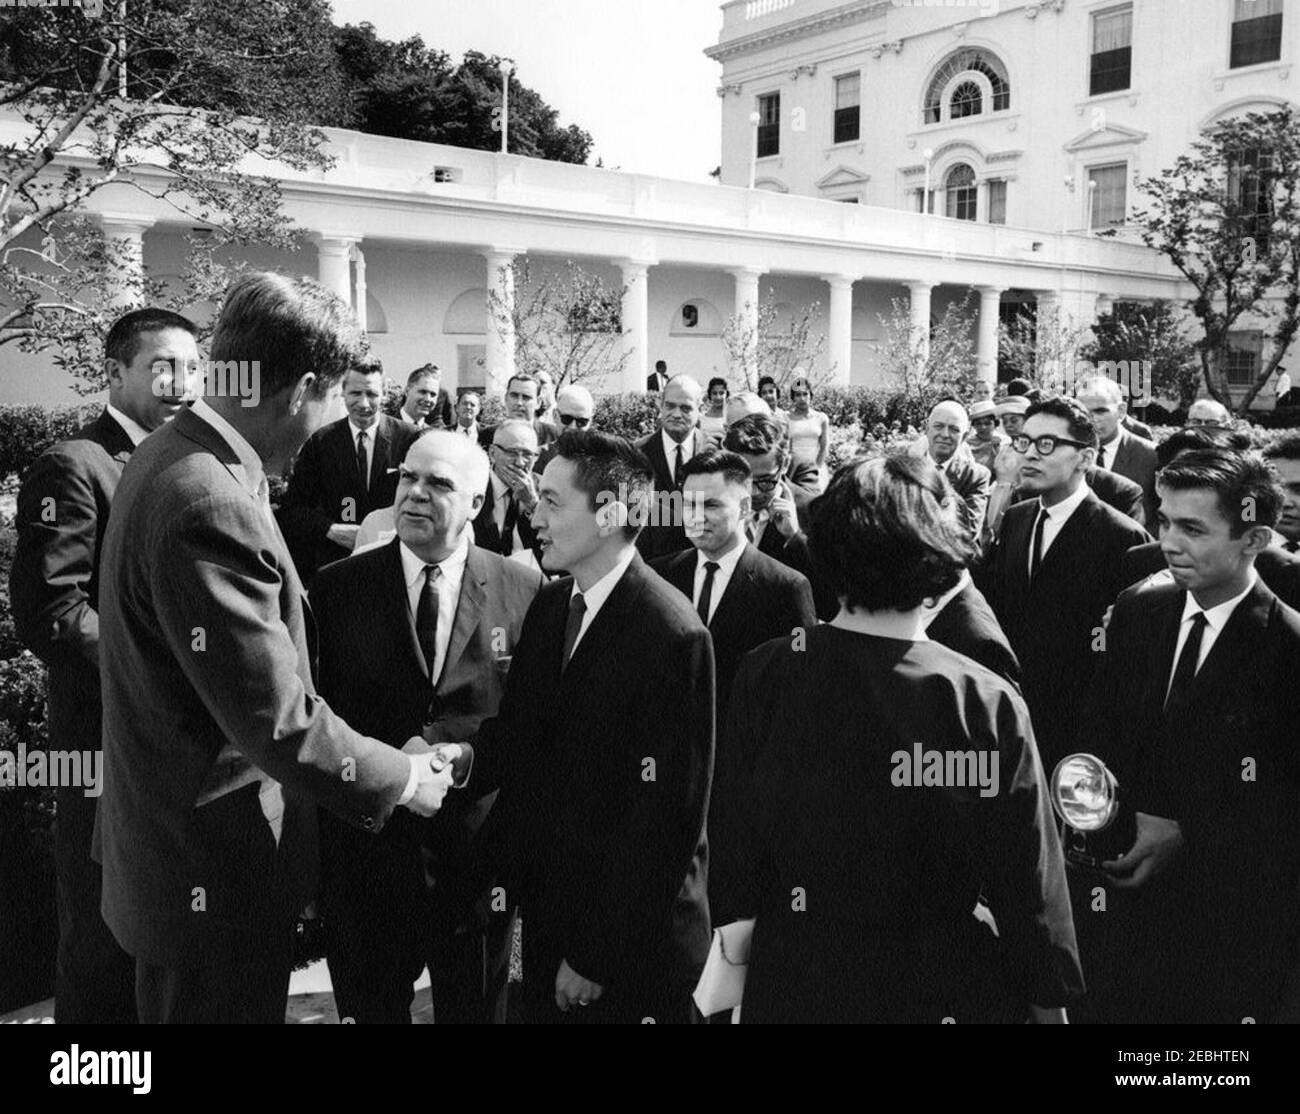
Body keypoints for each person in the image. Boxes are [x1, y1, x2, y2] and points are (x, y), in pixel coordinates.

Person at [95, 272, 456, 1024]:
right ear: (303, 389)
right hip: (212, 883)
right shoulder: (209, 500)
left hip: (183, 861)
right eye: (330, 400)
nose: (327, 423)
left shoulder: (176, 453)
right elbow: (278, 719)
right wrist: (401, 777)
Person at [708, 453, 1084, 1022]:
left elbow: (734, 837)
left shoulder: (767, 672)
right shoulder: (979, 701)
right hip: (932, 984)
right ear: (938, 554)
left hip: (795, 978)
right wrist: (1048, 1000)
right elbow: (1027, 879)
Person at [466, 431, 715, 1023]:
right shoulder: (553, 606)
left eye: (553, 502)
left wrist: (595, 956)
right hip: (546, 916)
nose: (535, 513)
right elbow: (521, 736)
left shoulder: (673, 635)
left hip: (625, 949)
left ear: (610, 514)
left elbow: (666, 820)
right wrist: (458, 762)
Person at [311, 431, 542, 1024]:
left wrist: (460, 758)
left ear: (474, 501)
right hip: (367, 859)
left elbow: (531, 724)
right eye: (407, 478)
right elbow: (317, 713)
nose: (414, 494)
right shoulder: (338, 588)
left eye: (438, 484)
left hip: (475, 867)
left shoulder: (526, 592)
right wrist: (396, 761)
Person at [10, 307, 200, 1025]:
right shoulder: (75, 464)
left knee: (162, 935)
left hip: (178, 751)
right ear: (114, 372)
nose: (179, 382)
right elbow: (55, 613)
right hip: (102, 745)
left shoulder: (190, 463)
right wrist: (164, 671)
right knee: (100, 938)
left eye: (190, 367)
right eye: (161, 367)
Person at [1087, 449, 1300, 1023]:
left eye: (1192, 528)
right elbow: (1104, 734)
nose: (1167, 543)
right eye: (1163, 521)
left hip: (1224, 935)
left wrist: (1186, 831)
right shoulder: (1137, 611)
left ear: (1254, 539)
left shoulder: (1288, 647)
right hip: (1121, 916)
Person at [979, 396, 1149, 774]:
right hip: (1011, 717)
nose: (1030, 455)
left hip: (1079, 732)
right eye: (1024, 442)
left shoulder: (1122, 537)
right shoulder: (1017, 519)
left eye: (1047, 444)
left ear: (1086, 458)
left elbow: (1125, 657)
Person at [650, 448, 816, 719]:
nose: (696, 516)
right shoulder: (661, 575)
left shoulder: (786, 587)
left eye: (711, 505)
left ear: (744, 508)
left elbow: (799, 684)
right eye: (689, 504)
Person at [278, 356, 415, 586]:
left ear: (384, 394)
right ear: (343, 392)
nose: (363, 403)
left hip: (397, 568)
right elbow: (293, 508)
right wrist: (331, 529)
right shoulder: (320, 442)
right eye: (355, 393)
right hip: (338, 567)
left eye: (371, 394)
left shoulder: (408, 438)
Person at [723, 413, 835, 618]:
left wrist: (795, 539)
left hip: (791, 641)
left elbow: (829, 606)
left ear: (784, 465)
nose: (754, 492)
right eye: (743, 479)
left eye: (766, 481)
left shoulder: (814, 513)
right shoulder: (708, 504)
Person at [634, 375, 709, 560]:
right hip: (650, 565)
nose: (676, 414)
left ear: (700, 409)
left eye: (685, 408)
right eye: (670, 406)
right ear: (660, 405)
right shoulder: (635, 454)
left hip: (701, 565)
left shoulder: (714, 452)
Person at [1076, 376, 1158, 526]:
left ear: (1121, 411)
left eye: (1100, 411)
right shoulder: (1069, 453)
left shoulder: (1151, 456)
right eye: (1084, 412)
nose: (1091, 419)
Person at [472, 419, 543, 565]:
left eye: (528, 454)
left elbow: (557, 542)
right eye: (512, 453)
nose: (520, 463)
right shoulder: (473, 487)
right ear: (492, 453)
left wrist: (533, 505)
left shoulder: (544, 489)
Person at [924, 399, 991, 539]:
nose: (945, 434)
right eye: (938, 426)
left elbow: (968, 531)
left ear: (965, 437)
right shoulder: (904, 470)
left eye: (954, 429)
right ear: (927, 429)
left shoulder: (975, 476)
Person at [477, 373, 557, 452]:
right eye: (514, 396)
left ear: (538, 402)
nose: (519, 403)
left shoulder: (553, 435)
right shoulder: (486, 436)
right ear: (506, 398)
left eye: (526, 397)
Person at [786, 376, 830, 492]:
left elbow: (824, 448)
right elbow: (786, 448)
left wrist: (817, 469)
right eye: (798, 395)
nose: (802, 398)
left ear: (811, 395)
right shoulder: (786, 418)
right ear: (793, 398)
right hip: (794, 469)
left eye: (805, 394)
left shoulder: (821, 418)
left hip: (816, 467)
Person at [537, 384, 595, 472]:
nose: (573, 427)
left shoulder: (603, 458)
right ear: (555, 416)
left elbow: (622, 484)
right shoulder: (537, 457)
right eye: (567, 419)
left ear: (590, 421)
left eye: (582, 422)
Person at [399, 364, 454, 430]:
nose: (428, 399)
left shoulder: (435, 436)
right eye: (423, 392)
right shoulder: (386, 429)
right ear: (407, 391)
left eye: (433, 394)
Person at [700, 377, 729, 442]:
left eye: (721, 393)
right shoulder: (702, 419)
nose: (718, 397)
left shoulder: (731, 416)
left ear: (726, 394)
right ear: (710, 395)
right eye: (714, 393)